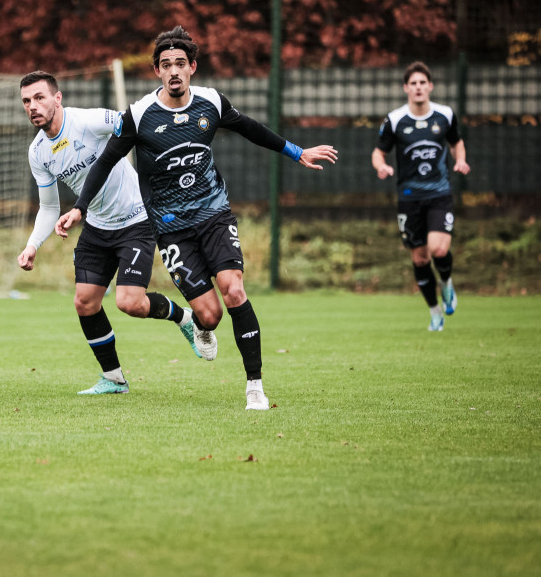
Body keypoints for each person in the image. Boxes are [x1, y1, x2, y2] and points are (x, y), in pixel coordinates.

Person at [56, 26, 338, 411]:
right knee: (210, 314)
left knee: (234, 289)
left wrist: (296, 151)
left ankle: (254, 386)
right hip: (171, 229)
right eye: (166, 64)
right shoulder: (139, 115)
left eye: (180, 64)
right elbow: (106, 160)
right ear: (157, 70)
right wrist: (80, 207)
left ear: (192, 68)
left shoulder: (210, 103)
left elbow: (250, 129)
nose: (174, 71)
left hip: (214, 215)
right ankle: (197, 325)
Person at [17, 71, 201, 395]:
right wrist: (33, 245)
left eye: (39, 97)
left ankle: (184, 318)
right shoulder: (38, 153)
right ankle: (114, 379)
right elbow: (48, 207)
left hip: (135, 219)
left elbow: (132, 127)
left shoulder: (88, 121)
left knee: (130, 303)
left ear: (57, 98)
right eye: (27, 101)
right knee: (84, 302)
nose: (33, 106)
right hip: (96, 227)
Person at [372, 61, 469, 331]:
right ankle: (435, 312)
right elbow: (379, 151)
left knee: (439, 249)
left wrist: (460, 160)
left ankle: (447, 283)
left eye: (422, 83)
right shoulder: (395, 120)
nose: (418, 87)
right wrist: (381, 166)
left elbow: (456, 142)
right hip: (408, 197)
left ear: (430, 86)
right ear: (406, 88)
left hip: (439, 194)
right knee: (420, 258)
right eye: (413, 83)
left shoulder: (445, 115)